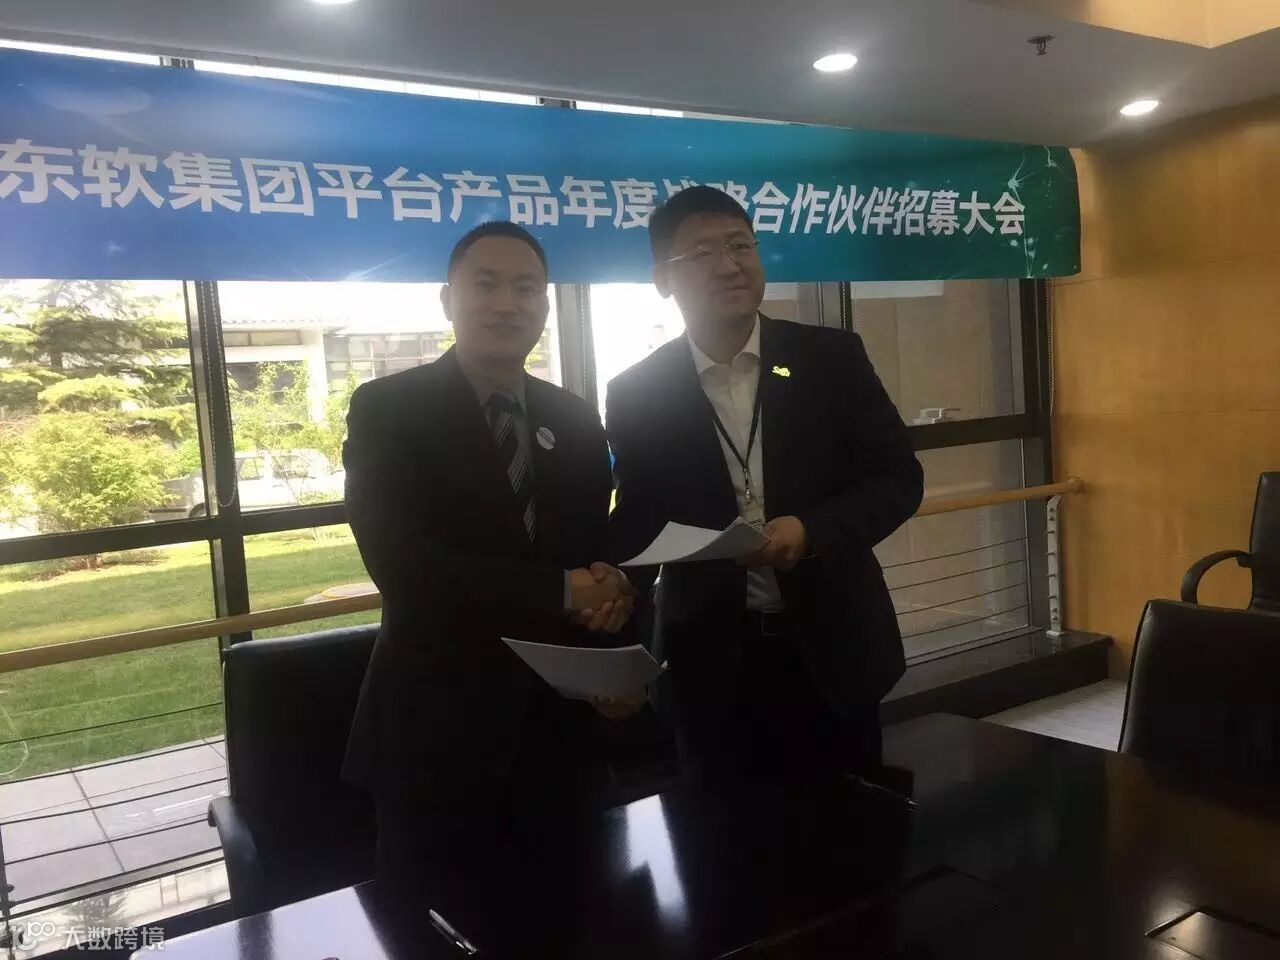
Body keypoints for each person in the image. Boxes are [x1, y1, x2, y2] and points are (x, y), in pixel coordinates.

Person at [341, 221, 637, 921]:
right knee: (436, 929)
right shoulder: (387, 409)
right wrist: (563, 590)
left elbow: (595, 552)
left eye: (526, 288)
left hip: (564, 737)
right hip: (437, 739)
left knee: (581, 924)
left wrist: (617, 602)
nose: (507, 303)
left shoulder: (574, 417)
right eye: (486, 284)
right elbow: (403, 564)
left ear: (544, 302)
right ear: (448, 298)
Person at [607, 186, 923, 785]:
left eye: (740, 245)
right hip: (708, 664)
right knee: (720, 833)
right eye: (702, 253)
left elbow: (898, 478)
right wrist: (616, 614)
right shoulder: (638, 392)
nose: (729, 265)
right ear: (662, 279)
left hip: (835, 651)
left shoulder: (831, 358)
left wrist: (810, 530)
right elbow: (640, 519)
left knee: (851, 826)